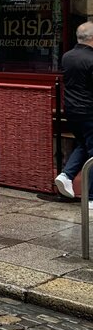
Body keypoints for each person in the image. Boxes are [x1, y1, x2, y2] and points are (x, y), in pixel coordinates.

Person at [55, 22, 93, 207]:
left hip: (72, 110)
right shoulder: (92, 59)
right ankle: (92, 197)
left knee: (84, 144)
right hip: (89, 110)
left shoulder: (67, 56)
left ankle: (66, 175)